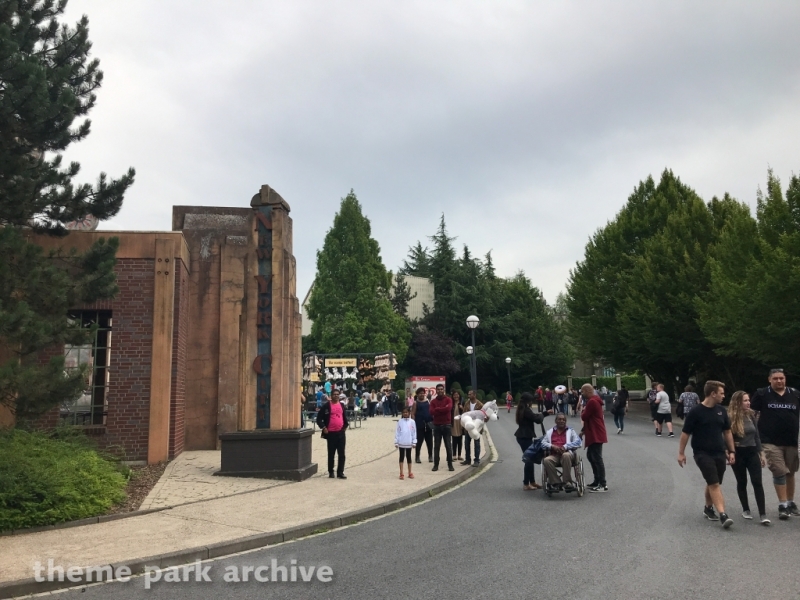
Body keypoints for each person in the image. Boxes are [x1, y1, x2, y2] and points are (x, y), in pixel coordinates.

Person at [677, 380, 736, 528]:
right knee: (714, 483)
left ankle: (708, 508)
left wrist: (731, 451)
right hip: (702, 453)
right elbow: (685, 433)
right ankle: (723, 515)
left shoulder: (721, 411)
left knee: (713, 481)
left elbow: (727, 432)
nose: (724, 396)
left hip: (719, 452)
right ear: (713, 394)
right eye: (721, 393)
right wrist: (681, 453)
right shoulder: (695, 412)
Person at [749, 368, 800, 520]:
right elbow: (751, 413)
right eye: (776, 378)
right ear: (769, 379)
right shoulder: (762, 394)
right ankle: (782, 505)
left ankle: (790, 502)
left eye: (781, 378)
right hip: (770, 441)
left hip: (791, 441)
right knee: (779, 471)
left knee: (790, 472)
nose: (779, 381)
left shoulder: (795, 394)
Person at [728, 391, 769, 524]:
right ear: (738, 402)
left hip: (752, 452)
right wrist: (729, 451)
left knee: (757, 482)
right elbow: (726, 437)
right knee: (742, 482)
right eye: (745, 400)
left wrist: (761, 454)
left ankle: (762, 514)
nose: (748, 403)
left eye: (748, 400)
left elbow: (756, 436)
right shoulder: (730, 417)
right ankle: (746, 509)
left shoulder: (751, 415)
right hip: (738, 452)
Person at [541, 413, 583, 491]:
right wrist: (552, 446)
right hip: (555, 455)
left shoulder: (570, 431)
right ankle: (556, 482)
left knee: (565, 455)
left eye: (563, 420)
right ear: (556, 421)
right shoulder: (550, 432)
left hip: (568, 454)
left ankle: (567, 482)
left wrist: (565, 446)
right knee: (546, 460)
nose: (562, 421)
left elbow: (578, 442)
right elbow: (543, 443)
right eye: (559, 419)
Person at [581, 383, 608, 492]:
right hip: (595, 431)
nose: (582, 394)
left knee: (596, 458)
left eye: (583, 391)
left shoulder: (592, 401)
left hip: (595, 432)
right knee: (591, 456)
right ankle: (597, 480)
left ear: (588, 391)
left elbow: (584, 416)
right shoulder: (595, 400)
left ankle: (602, 483)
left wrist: (583, 410)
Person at [515, 392, 545, 490]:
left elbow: (535, 416)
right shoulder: (526, 410)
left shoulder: (522, 409)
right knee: (529, 459)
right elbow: (537, 419)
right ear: (528, 401)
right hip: (524, 437)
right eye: (531, 400)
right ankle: (526, 484)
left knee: (530, 458)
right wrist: (543, 414)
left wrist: (544, 414)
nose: (532, 402)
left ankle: (532, 482)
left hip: (524, 436)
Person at [316, 389, 348, 479]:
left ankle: (340, 472)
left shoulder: (342, 405)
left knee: (341, 454)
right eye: (334, 394)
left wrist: (345, 426)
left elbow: (344, 417)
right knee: (331, 454)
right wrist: (323, 427)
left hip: (341, 433)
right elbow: (319, 419)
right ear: (331, 396)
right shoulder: (326, 406)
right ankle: (331, 471)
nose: (336, 396)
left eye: (338, 394)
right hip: (331, 433)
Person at [429, 383, 454, 471]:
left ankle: (450, 464)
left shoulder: (448, 399)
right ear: (436, 391)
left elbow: (448, 409)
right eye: (438, 389)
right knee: (436, 446)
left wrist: (437, 409)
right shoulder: (433, 402)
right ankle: (436, 464)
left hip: (446, 425)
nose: (440, 391)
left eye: (441, 389)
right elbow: (431, 412)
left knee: (448, 446)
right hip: (437, 426)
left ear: (444, 390)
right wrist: (443, 409)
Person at [411, 387, 433, 463]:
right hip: (419, 424)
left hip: (428, 424)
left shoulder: (428, 401)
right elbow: (413, 413)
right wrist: (413, 423)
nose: (422, 394)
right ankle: (417, 457)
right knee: (419, 442)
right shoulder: (415, 403)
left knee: (429, 442)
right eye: (420, 393)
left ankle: (430, 456)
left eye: (423, 393)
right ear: (417, 394)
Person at [461, 390, 483, 466]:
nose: (469, 396)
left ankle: (476, 460)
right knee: (467, 444)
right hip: (468, 427)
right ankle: (468, 459)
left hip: (476, 428)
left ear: (474, 395)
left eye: (470, 394)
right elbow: (464, 413)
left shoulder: (480, 405)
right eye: (468, 394)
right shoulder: (467, 404)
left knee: (477, 444)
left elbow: (483, 415)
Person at [395, 406, 417, 480]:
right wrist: (396, 441)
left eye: (406, 412)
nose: (405, 413)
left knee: (409, 457)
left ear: (409, 413)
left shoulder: (412, 422)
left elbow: (414, 432)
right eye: (404, 412)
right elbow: (397, 432)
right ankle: (401, 473)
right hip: (401, 442)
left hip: (409, 442)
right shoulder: (400, 422)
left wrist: (414, 442)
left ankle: (410, 472)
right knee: (401, 457)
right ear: (402, 413)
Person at [451, 390, 465, 461]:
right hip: (453, 422)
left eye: (457, 395)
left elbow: (466, 411)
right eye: (454, 395)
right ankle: (454, 455)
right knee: (454, 439)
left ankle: (459, 455)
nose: (456, 396)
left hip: (460, 422)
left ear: (459, 395)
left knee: (460, 439)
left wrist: (462, 408)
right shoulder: (451, 403)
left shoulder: (462, 402)